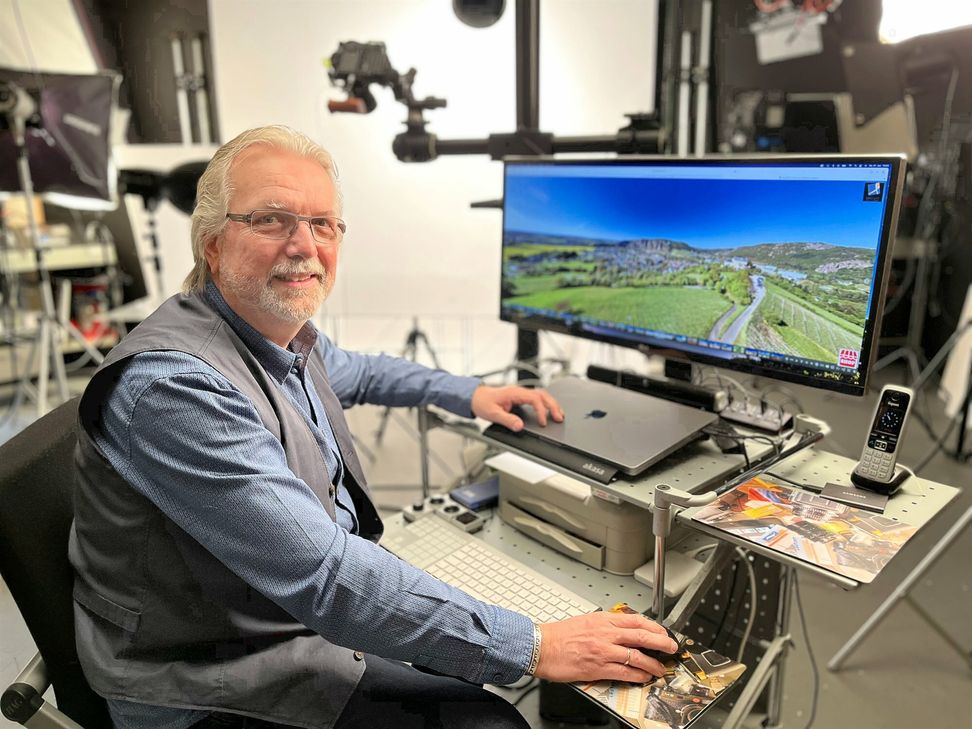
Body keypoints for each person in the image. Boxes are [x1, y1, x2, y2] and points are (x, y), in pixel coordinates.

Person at [68, 125, 677, 729]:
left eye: (323, 224)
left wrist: (472, 393)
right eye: (271, 220)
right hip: (218, 680)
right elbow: (327, 579)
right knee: (494, 723)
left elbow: (361, 371)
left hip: (281, 618)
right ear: (213, 244)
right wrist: (536, 647)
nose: (304, 245)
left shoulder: (273, 335)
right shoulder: (175, 387)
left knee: (474, 668)